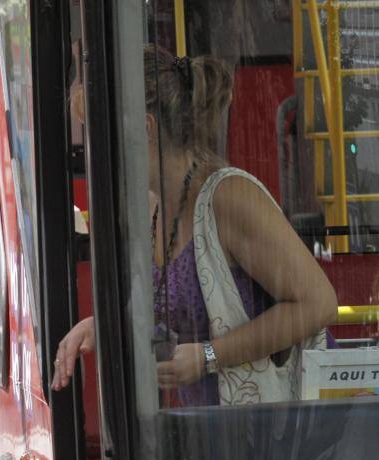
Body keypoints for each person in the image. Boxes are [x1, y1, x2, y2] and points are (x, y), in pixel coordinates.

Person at [52, 46, 337, 405]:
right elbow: (177, 316)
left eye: (96, 133)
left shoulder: (229, 197)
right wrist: (106, 327)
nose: (89, 151)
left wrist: (209, 356)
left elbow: (319, 303)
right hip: (216, 433)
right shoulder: (152, 205)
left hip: (279, 435)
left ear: (144, 127)